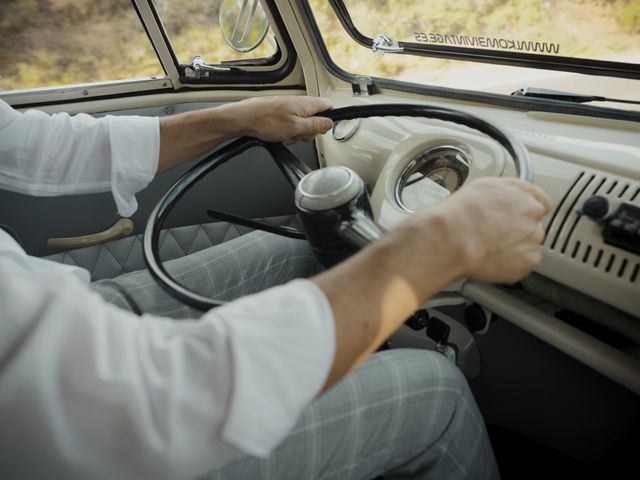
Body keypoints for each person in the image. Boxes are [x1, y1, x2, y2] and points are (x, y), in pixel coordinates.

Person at [0, 95, 551, 480]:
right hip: (90, 447)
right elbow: (153, 400)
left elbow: (30, 145)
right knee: (436, 389)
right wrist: (439, 247)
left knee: (293, 253)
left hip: (52, 328)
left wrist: (235, 119)